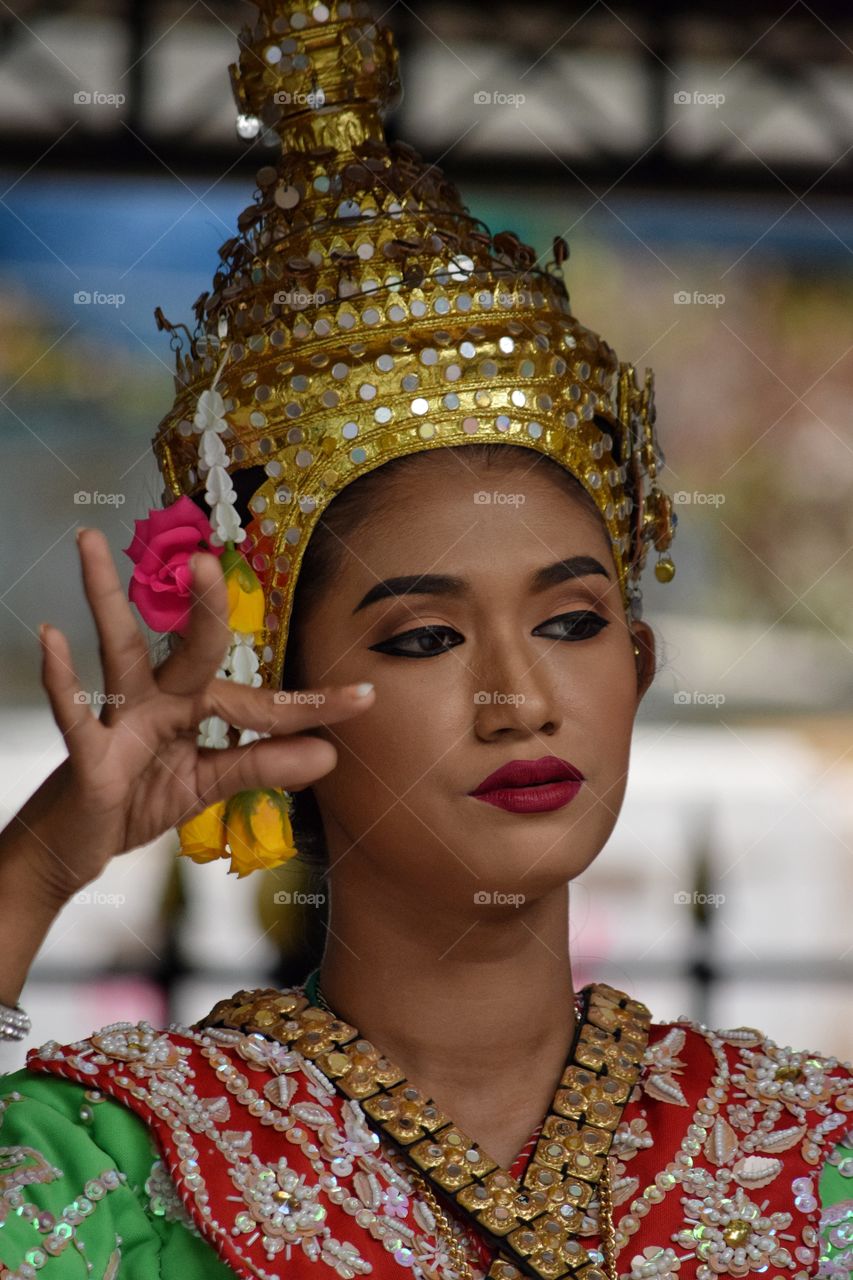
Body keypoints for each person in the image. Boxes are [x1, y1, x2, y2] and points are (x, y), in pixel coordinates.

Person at [1, 2, 852, 1278]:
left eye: (571, 621)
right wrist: (38, 863)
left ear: (640, 663)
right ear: (267, 697)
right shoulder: (120, 1165)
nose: (518, 699)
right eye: (422, 637)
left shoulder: (812, 1151)